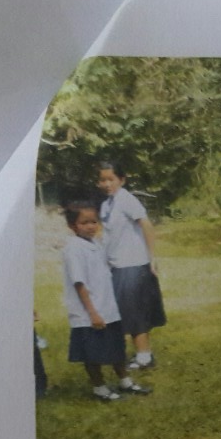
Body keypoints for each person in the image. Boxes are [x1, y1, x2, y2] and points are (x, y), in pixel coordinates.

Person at [61, 201, 151, 402]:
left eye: (94, 221)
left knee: (116, 348)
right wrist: (92, 313)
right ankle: (99, 388)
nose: (90, 226)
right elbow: (79, 283)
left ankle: (125, 381)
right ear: (73, 225)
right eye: (84, 223)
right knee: (93, 353)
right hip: (88, 313)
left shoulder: (96, 244)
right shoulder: (73, 249)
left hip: (108, 308)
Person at [97, 161, 165, 370]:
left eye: (111, 179)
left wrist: (152, 257)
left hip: (133, 264)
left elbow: (146, 224)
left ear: (121, 180)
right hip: (117, 266)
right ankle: (136, 354)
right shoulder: (106, 205)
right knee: (123, 313)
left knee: (135, 314)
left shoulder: (126, 199)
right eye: (102, 180)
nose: (107, 184)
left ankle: (145, 357)